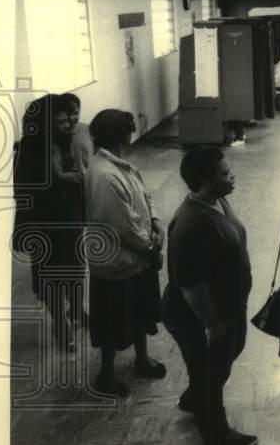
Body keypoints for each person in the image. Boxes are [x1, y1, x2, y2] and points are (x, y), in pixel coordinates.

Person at [163, 146, 256, 445]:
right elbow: (191, 286)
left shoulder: (217, 201)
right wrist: (212, 325)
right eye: (225, 174)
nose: (232, 177)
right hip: (199, 316)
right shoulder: (191, 223)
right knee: (209, 374)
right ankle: (216, 434)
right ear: (204, 180)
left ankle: (194, 398)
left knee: (222, 360)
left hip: (227, 309)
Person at [84, 109, 167, 396]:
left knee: (141, 310)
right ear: (124, 134)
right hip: (118, 262)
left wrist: (155, 222)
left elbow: (144, 197)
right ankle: (106, 374)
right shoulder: (105, 175)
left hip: (136, 258)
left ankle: (141, 359)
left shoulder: (119, 166)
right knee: (112, 320)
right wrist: (151, 248)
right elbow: (123, 225)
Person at [12, 95, 86, 351]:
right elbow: (23, 192)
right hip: (44, 225)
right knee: (51, 277)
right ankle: (60, 322)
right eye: (61, 121)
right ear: (44, 124)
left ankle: (77, 310)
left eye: (69, 119)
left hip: (70, 219)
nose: (69, 124)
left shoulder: (67, 142)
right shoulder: (28, 150)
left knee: (76, 268)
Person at [59, 92, 94, 173]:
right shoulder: (59, 136)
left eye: (75, 113)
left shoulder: (87, 129)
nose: (71, 118)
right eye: (68, 114)